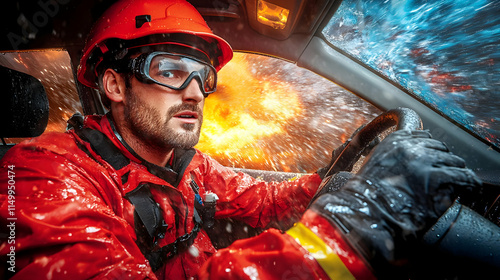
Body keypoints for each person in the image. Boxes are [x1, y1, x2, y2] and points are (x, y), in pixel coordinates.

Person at [0, 0, 480, 279]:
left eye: (202, 76)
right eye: (170, 70)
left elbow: (264, 202)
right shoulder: (43, 174)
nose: (193, 92)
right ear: (115, 85)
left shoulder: (184, 164)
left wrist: (336, 180)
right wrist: (361, 218)